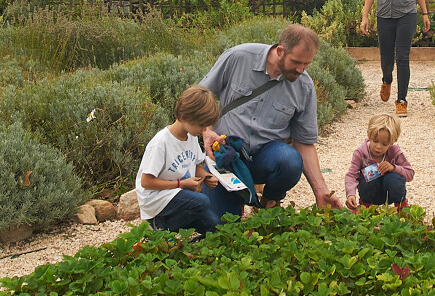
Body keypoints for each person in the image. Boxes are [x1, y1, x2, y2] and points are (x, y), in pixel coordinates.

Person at [200, 24, 344, 220]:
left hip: (264, 160)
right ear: (280, 51)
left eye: (307, 64)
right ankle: (237, 199)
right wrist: (206, 131)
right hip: (226, 157)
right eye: (296, 62)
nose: (301, 70)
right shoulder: (238, 57)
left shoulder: (304, 86)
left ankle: (269, 201)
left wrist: (321, 191)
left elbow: (304, 143)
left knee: (290, 160)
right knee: (220, 225)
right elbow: (201, 95)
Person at [135, 85, 221, 236]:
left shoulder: (191, 138)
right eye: (201, 125)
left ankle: (174, 227)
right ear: (184, 117)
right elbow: (146, 182)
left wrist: (207, 177)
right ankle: (159, 227)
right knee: (202, 202)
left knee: (213, 224)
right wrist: (182, 184)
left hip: (176, 193)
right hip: (155, 198)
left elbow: (195, 165)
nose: (203, 130)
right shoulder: (161, 143)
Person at [345, 113, 414, 209]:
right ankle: (365, 207)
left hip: (390, 193)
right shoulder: (360, 153)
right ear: (369, 135)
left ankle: (401, 207)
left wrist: (393, 168)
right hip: (370, 193)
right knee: (366, 177)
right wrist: (350, 194)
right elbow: (351, 175)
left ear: (391, 143)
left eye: (384, 144)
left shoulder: (394, 152)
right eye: (375, 141)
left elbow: (410, 174)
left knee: (394, 178)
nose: (378, 147)